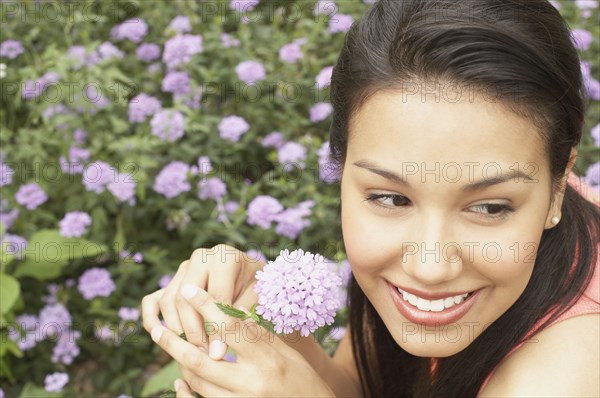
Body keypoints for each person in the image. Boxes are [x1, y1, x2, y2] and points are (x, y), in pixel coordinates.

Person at [142, 0, 600, 396]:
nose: (429, 267)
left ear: (558, 186)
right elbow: (360, 387)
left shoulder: (563, 375)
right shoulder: (519, 194)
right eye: (391, 199)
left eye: (489, 208)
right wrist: (280, 331)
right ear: (341, 168)